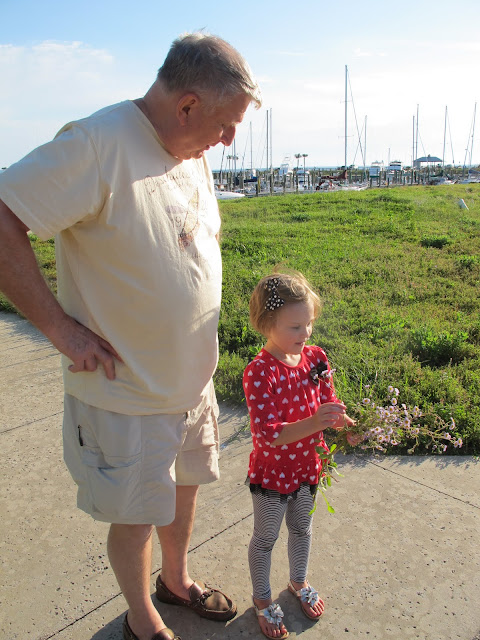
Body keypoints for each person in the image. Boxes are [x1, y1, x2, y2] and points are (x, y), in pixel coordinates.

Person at [0, 33, 261, 640]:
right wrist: (59, 329)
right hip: (128, 392)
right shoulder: (97, 144)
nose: (229, 140)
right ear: (187, 105)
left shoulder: (190, 147)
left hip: (190, 385)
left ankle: (176, 579)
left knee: (183, 491)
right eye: (225, 124)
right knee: (137, 514)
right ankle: (142, 619)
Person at [242, 271, 356, 640]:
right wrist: (314, 422)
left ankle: (298, 580)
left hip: (309, 467)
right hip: (274, 475)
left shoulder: (315, 358)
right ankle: (262, 599)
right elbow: (268, 434)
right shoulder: (260, 372)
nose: (305, 333)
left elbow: (328, 401)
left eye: (309, 323)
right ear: (266, 324)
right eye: (294, 326)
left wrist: (345, 424)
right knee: (266, 538)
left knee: (302, 529)